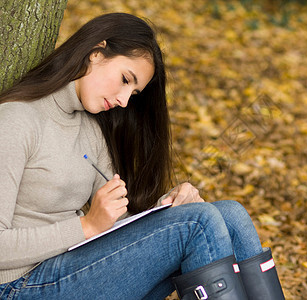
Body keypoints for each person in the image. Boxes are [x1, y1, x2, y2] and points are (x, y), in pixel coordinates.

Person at [0, 13, 285, 299]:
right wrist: (86, 226)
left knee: (229, 214)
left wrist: (167, 209)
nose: (123, 100)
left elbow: (123, 228)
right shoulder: (16, 121)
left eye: (133, 93)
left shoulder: (90, 129)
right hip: (19, 286)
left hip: (71, 269)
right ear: (96, 52)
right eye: (125, 79)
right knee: (197, 223)